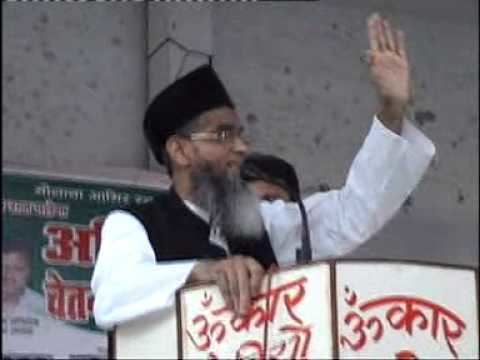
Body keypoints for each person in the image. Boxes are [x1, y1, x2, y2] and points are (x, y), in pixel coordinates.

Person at [91, 13, 436, 329]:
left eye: (240, 134)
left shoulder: (261, 222)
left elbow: (351, 213)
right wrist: (202, 272)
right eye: (224, 135)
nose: (241, 147)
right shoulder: (134, 225)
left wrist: (392, 110)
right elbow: (112, 296)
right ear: (179, 150)